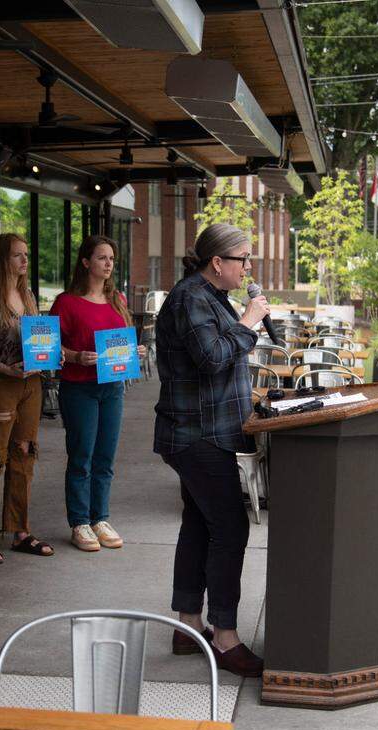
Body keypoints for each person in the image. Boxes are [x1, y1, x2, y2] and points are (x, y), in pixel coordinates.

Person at [153, 222, 268, 678]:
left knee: (199, 525)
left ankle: (187, 626)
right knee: (230, 528)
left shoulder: (212, 297)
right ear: (217, 263)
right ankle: (224, 637)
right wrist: (248, 322)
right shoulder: (190, 299)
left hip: (210, 431)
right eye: (243, 259)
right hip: (197, 436)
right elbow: (212, 358)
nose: (248, 267)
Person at [50, 235, 145, 552]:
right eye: (102, 258)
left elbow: (120, 340)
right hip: (79, 387)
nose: (108, 264)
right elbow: (49, 348)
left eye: (112, 259)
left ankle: (99, 517)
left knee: (105, 456)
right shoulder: (67, 302)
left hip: (112, 387)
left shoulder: (117, 299)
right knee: (82, 456)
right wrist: (75, 356)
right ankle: (79, 522)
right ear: (86, 262)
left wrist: (135, 351)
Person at [0, 233, 50, 562]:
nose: (24, 261)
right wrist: (4, 367)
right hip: (0, 382)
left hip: (31, 384)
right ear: (3, 259)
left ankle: (19, 530)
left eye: (26, 254)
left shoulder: (27, 294)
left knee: (24, 454)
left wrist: (49, 355)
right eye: (18, 255)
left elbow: (39, 339)